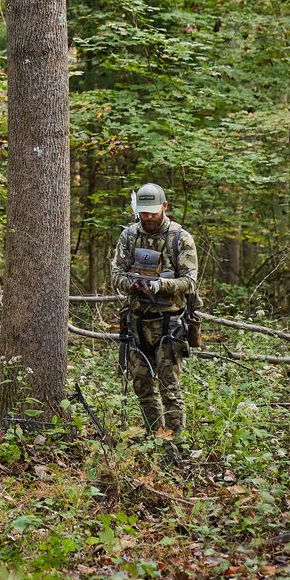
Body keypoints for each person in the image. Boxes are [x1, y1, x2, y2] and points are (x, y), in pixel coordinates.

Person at [111, 182, 199, 435]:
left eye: (152, 212)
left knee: (169, 385)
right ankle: (153, 435)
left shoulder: (180, 238)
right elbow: (116, 272)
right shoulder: (129, 235)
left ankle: (175, 440)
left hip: (169, 323)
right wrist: (133, 284)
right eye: (143, 212)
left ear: (164, 206)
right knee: (142, 384)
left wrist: (161, 285)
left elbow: (190, 282)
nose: (147, 217)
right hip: (138, 321)